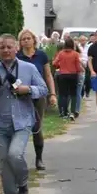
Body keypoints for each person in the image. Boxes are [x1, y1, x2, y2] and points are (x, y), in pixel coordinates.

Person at [0, 34, 48, 194]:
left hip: (22, 121)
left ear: (16, 48)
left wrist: (27, 89)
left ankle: (23, 183)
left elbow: (43, 89)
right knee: (3, 162)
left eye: (9, 47)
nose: (6, 50)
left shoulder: (29, 68)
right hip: (0, 122)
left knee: (14, 154)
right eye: (2, 47)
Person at [16, 29, 57, 171]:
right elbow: (12, 76)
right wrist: (16, 88)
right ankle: (18, 159)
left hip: (38, 95)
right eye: (23, 39)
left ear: (34, 40)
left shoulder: (41, 55)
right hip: (21, 97)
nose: (26, 41)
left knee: (37, 128)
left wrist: (52, 94)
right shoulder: (17, 57)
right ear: (20, 42)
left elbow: (48, 75)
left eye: (28, 38)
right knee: (20, 127)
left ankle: (39, 159)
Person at [53, 37, 83, 120]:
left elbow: (54, 63)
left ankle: (65, 112)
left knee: (63, 95)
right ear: (72, 45)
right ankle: (72, 112)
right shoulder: (75, 54)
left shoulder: (61, 53)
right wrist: (80, 71)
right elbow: (78, 66)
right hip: (73, 75)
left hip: (63, 75)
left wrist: (60, 65)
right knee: (73, 94)